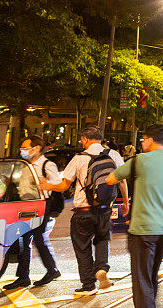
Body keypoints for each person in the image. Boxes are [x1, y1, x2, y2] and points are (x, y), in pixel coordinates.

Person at [38, 125, 128, 295]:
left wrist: (48, 185)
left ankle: (88, 284)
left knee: (82, 246)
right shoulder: (113, 155)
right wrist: (125, 202)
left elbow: (64, 185)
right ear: (100, 139)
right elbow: (122, 180)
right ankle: (101, 268)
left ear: (85, 139)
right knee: (102, 240)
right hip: (104, 209)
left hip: (83, 210)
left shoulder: (79, 158)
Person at [107, 124, 163, 308]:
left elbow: (111, 178)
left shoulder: (139, 161)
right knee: (151, 275)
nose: (143, 143)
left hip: (143, 230)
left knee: (142, 279)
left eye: (143, 139)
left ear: (150, 140)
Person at [4, 135, 61, 289]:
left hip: (41, 206)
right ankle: (24, 276)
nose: (22, 151)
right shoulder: (24, 165)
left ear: (36, 149)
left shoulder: (47, 165)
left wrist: (46, 184)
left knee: (37, 238)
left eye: (25, 148)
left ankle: (51, 270)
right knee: (23, 238)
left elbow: (58, 184)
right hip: (23, 205)